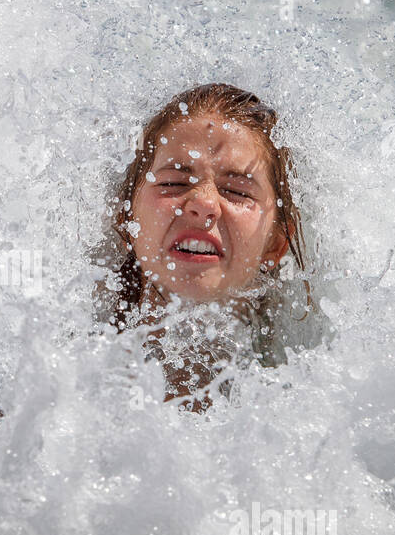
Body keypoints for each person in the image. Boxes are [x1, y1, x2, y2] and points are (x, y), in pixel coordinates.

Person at [103, 82, 310, 410]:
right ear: (126, 216)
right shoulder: (47, 384)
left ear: (276, 242)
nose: (203, 203)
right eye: (172, 183)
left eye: (238, 191)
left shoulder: (307, 407)